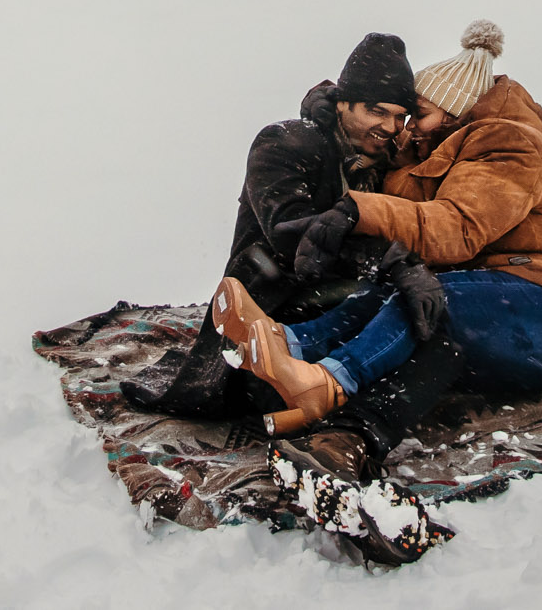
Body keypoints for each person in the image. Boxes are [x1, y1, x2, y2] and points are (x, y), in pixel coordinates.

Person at [215, 21, 542, 483]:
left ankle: (325, 378)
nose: (406, 128)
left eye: (416, 114)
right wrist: (326, 106)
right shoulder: (429, 145)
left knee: (430, 297)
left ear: (452, 110)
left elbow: (456, 228)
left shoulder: (510, 144)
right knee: (413, 300)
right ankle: (291, 355)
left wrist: (358, 209)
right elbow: (363, 122)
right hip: (478, 307)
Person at [120, 32, 424, 418]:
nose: (391, 126)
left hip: (338, 296)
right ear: (343, 102)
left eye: (400, 116)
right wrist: (391, 261)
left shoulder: (384, 158)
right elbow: (290, 236)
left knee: (421, 321)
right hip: (268, 303)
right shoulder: (284, 143)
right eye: (377, 111)